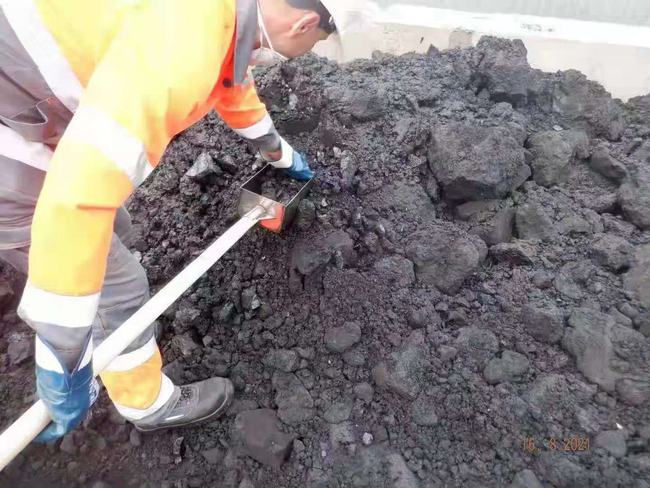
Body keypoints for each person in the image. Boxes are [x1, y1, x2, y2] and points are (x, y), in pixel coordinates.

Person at [0, 0, 368, 441]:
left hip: (29, 105)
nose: (306, 52)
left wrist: (278, 153)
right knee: (117, 283)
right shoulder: (179, 52)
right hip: (11, 150)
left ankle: (101, 320)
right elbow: (75, 201)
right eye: (316, 43)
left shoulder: (218, 15)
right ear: (306, 23)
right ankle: (147, 402)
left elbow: (231, 83)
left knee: (109, 231)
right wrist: (59, 350)